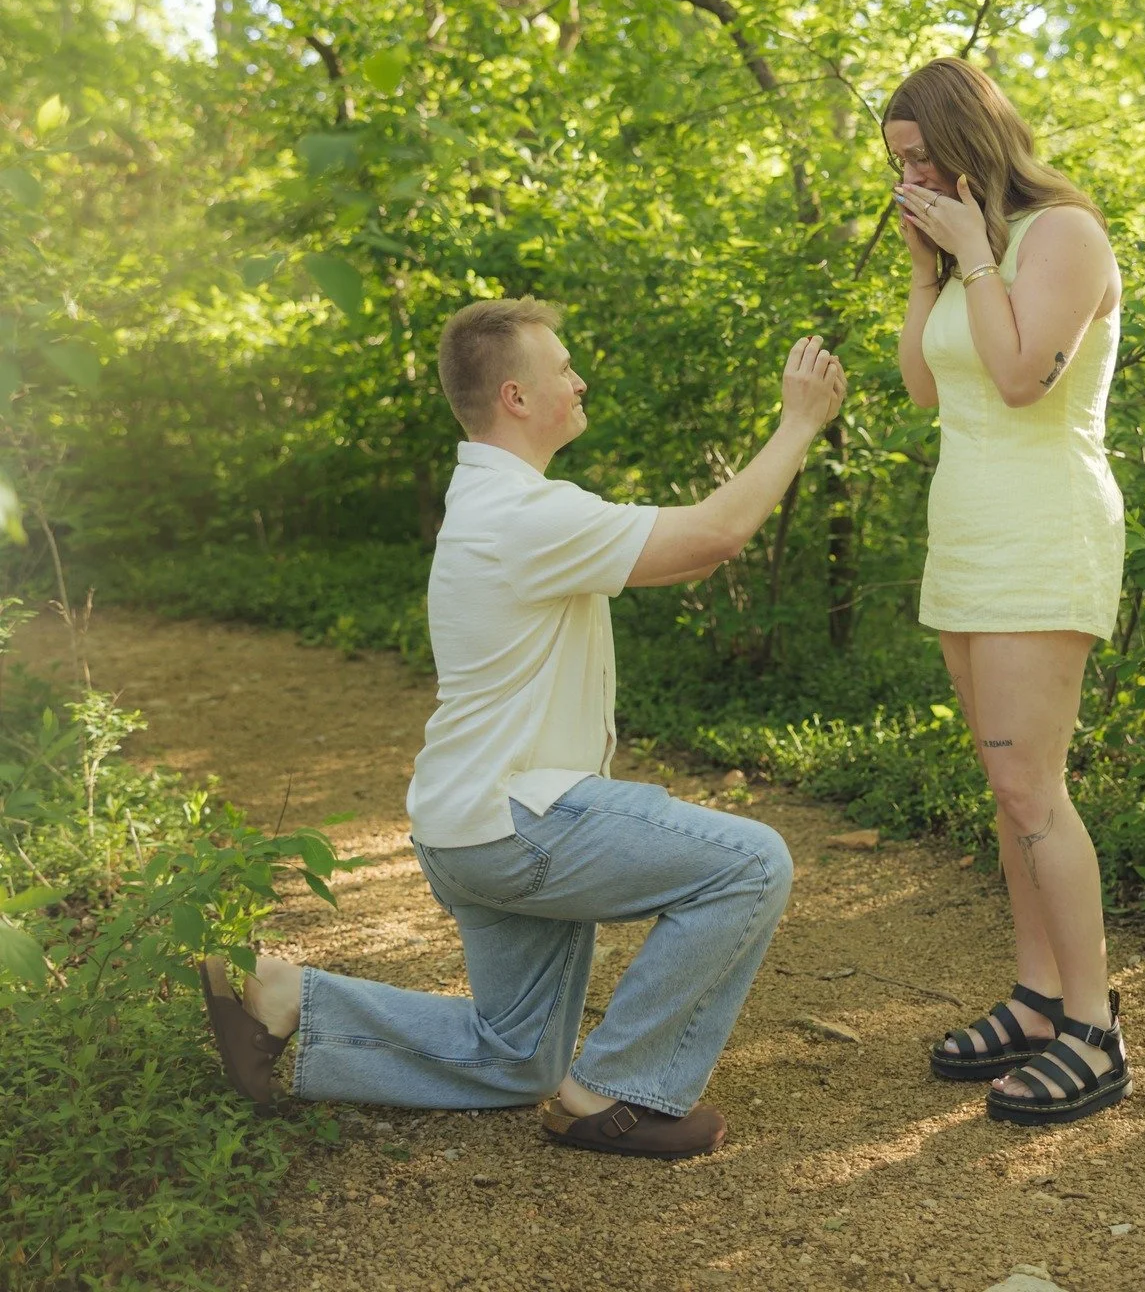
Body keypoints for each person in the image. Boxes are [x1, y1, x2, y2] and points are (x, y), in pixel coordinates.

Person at [202, 299, 845, 1160]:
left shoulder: (506, 504)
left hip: (468, 828)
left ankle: (286, 997)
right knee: (750, 865)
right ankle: (618, 1095)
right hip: (517, 826)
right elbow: (716, 536)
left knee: (516, 1058)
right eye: (564, 368)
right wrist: (800, 421)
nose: (579, 380)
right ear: (515, 395)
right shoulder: (520, 517)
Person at [883, 57, 1130, 1127]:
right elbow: (931, 385)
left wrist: (978, 252)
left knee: (1036, 788)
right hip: (968, 537)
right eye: (898, 164)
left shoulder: (1061, 234)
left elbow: (1027, 376)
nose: (912, 174)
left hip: (1044, 532)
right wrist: (929, 269)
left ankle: (1094, 1028)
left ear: (972, 137)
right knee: (1004, 788)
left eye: (924, 154)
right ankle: (1036, 998)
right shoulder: (960, 254)